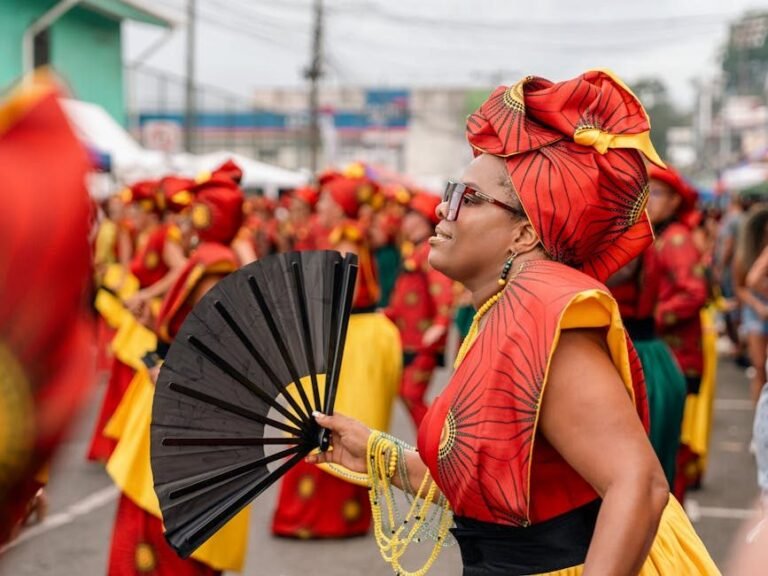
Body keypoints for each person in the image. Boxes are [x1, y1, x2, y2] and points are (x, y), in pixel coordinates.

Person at [306, 70, 718, 575]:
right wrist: (375, 451)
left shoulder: (544, 309)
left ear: (525, 234)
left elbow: (639, 484)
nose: (442, 207)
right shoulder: (508, 307)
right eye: (451, 191)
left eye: (468, 197)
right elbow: (499, 486)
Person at [104, 170, 250, 576]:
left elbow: (218, 348)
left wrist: (174, 373)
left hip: (182, 404)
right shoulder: (209, 260)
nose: (185, 218)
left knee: (160, 518)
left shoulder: (214, 266)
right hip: (176, 397)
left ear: (209, 216)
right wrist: (154, 324)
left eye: (195, 209)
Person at [272, 169, 402, 539]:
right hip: (347, 332)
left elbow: (346, 291)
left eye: (327, 201)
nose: (321, 207)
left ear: (342, 206)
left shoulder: (347, 237)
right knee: (320, 416)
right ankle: (326, 516)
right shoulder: (337, 233)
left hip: (352, 334)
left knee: (329, 417)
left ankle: (324, 517)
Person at [385, 191, 455, 427]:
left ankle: (434, 440)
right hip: (408, 338)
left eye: (412, 215)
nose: (406, 220)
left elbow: (443, 289)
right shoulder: (414, 250)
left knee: (411, 394)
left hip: (422, 340)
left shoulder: (427, 251)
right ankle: (428, 441)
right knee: (406, 394)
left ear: (423, 220)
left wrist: (440, 324)